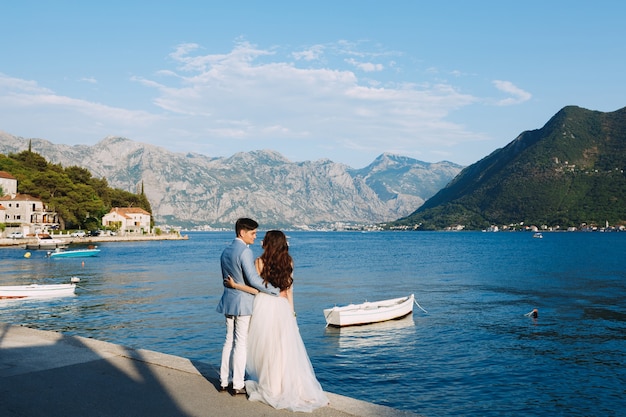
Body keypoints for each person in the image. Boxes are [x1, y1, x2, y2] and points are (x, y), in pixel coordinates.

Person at [224, 230, 329, 412]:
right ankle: (286, 387)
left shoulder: (259, 262)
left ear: (269, 243)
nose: (261, 240)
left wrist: (235, 286)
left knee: (267, 350)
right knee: (284, 350)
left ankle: (272, 387)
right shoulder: (289, 261)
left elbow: (256, 289)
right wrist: (292, 313)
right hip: (282, 307)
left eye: (264, 238)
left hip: (264, 307)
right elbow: (289, 291)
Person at [216, 218, 279, 396]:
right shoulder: (245, 252)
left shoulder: (225, 251)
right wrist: (273, 290)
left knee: (228, 341)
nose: (255, 236)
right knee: (241, 343)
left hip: (228, 300)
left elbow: (226, 278)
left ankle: (223, 380)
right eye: (253, 233)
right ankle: (237, 384)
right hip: (243, 303)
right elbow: (253, 280)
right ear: (242, 233)